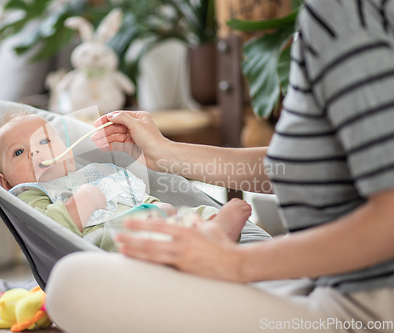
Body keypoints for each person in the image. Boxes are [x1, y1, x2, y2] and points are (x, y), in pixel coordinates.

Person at [45, 1, 394, 332]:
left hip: (367, 303)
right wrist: (166, 154)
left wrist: (235, 264)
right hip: (330, 275)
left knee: (71, 283)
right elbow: (317, 168)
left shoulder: (346, 14)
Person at [0, 112, 252, 251]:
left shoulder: (93, 173)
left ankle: (213, 228)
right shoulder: (30, 194)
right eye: (18, 152)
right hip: (96, 242)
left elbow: (132, 195)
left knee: (191, 212)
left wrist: (158, 206)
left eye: (44, 141)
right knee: (109, 239)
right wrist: (86, 198)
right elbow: (48, 229)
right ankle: (191, 242)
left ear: (69, 157)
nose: (35, 152)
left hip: (146, 219)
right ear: (5, 183)